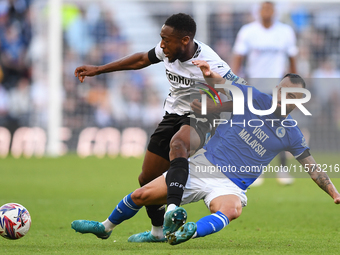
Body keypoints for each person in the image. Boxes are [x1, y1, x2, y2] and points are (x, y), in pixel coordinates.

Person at [71, 60, 340, 245]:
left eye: (291, 95)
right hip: (202, 166)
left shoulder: (292, 133)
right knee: (142, 194)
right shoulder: (254, 98)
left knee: (232, 209)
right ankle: (105, 227)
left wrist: (335, 193)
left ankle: (190, 231)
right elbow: (224, 82)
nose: (283, 96)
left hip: (231, 185)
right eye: (282, 89)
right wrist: (208, 72)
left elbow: (312, 168)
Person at [74, 13, 239, 242]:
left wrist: (211, 107)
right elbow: (141, 59)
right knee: (146, 178)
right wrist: (99, 69)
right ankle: (158, 232)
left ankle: (173, 210)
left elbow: (243, 97)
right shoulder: (168, 51)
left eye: (166, 40)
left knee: (178, 143)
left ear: (185, 40)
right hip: (173, 114)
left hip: (202, 117)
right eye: (161, 38)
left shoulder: (212, 62)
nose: (161, 44)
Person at [232, 1, 298, 185]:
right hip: (255, 87)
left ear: (275, 11)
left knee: (281, 128)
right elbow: (238, 58)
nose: (267, 11)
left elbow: (293, 59)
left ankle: (282, 170)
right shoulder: (248, 31)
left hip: (278, 88)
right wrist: (233, 83)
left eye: (270, 8)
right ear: (259, 11)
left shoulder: (285, 32)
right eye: (264, 8)